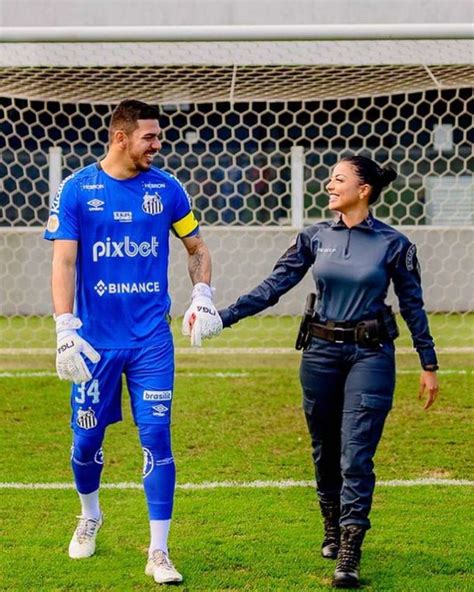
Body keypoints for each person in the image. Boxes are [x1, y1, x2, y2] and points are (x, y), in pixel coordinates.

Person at [214, 155, 439, 588]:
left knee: (356, 452)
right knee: (325, 448)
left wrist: (428, 362)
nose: (328, 185)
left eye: (338, 179)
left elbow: (413, 306)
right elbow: (273, 286)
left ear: (364, 190)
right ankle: (332, 527)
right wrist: (223, 317)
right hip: (318, 355)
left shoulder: (395, 244)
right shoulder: (314, 237)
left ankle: (351, 549)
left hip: (371, 357)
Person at [44, 99, 222, 585]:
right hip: (95, 344)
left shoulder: (167, 189)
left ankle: (158, 551)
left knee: (156, 439)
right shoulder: (77, 189)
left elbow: (197, 247)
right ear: (121, 137)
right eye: (150, 137)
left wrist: (202, 293)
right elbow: (63, 262)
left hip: (151, 343)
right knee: (86, 442)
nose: (158, 144)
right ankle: (90, 515)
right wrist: (64, 328)